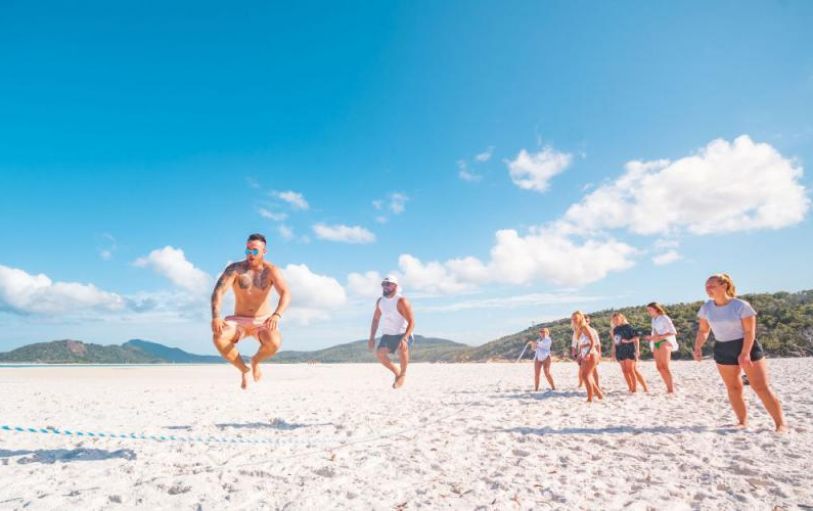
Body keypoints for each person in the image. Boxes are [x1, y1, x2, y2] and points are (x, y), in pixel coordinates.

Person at [694, 273, 786, 431]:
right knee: (733, 388)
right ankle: (742, 421)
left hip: (746, 346)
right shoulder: (706, 308)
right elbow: (703, 330)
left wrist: (744, 353)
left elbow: (750, 332)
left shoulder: (741, 305)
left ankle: (780, 424)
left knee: (760, 387)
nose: (708, 289)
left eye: (712, 285)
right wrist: (697, 347)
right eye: (706, 286)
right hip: (723, 348)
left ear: (724, 286)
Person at [210, 233, 291, 389]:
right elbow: (218, 291)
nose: (250, 254)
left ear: (264, 251)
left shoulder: (271, 270)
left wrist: (277, 314)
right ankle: (244, 369)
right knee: (218, 336)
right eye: (248, 250)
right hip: (238, 321)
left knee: (274, 343)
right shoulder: (235, 269)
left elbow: (286, 293)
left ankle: (255, 361)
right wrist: (216, 317)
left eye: (254, 251)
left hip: (262, 320)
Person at [368, 275, 415, 389]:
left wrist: (405, 338)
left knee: (402, 348)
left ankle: (403, 374)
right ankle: (397, 372)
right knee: (380, 354)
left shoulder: (401, 301)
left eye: (388, 284)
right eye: (383, 284)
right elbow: (375, 319)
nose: (385, 287)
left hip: (402, 333)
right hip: (388, 334)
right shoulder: (380, 301)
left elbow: (412, 322)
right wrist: (372, 337)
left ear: (395, 286)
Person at [610, 313, 648, 393]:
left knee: (631, 370)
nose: (615, 321)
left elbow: (636, 338)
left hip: (629, 349)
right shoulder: (614, 329)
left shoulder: (628, 327)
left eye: (617, 319)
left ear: (622, 318)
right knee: (625, 371)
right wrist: (613, 352)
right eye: (614, 320)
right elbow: (614, 342)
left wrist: (637, 350)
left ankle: (635, 389)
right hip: (620, 351)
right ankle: (631, 388)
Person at [645, 302, 678, 393]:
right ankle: (668, 387)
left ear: (656, 309)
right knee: (659, 367)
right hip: (655, 343)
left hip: (665, 342)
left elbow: (673, 332)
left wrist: (660, 337)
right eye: (648, 310)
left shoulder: (664, 318)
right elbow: (655, 332)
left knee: (665, 366)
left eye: (650, 309)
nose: (648, 311)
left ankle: (670, 389)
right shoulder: (653, 319)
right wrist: (651, 338)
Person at [572, 311, 603, 402]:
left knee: (586, 376)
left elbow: (593, 342)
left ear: (580, 318)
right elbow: (580, 345)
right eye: (573, 318)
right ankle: (599, 395)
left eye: (576, 318)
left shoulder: (585, 327)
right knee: (586, 375)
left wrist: (587, 353)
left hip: (591, 354)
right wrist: (579, 355)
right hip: (583, 353)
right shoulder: (578, 329)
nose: (574, 320)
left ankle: (590, 399)